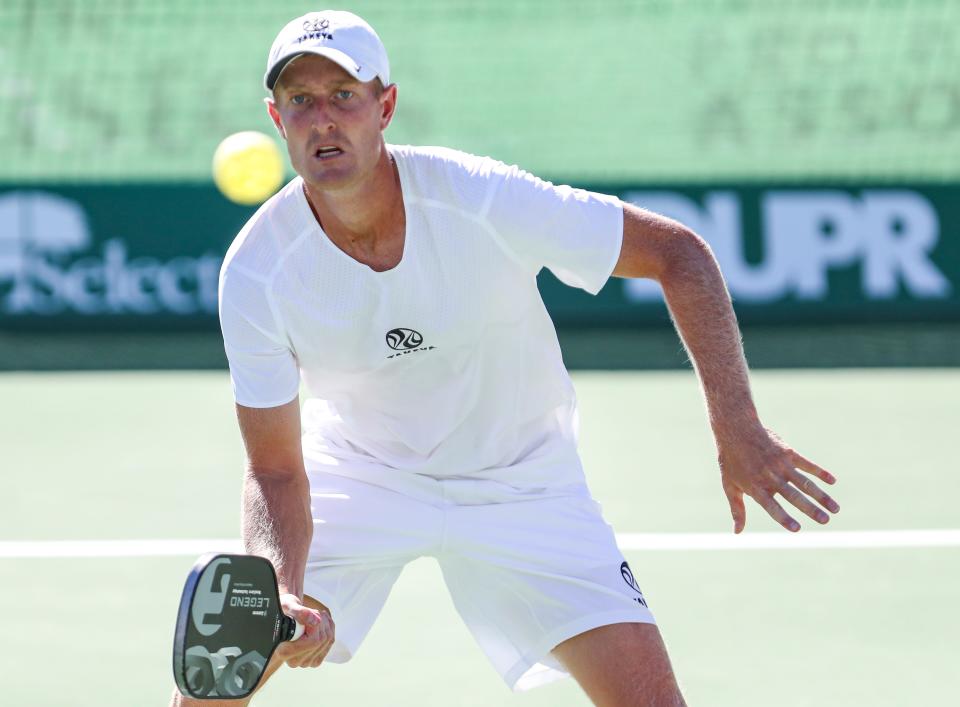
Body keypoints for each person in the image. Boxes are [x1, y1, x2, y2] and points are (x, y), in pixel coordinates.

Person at [172, 10, 840, 707]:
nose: (323, 120)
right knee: (231, 654)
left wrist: (737, 425)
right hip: (363, 473)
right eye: (301, 101)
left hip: (522, 478)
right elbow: (275, 467)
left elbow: (680, 255)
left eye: (344, 96)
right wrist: (280, 585)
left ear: (386, 106)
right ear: (277, 119)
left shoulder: (484, 198)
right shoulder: (257, 270)